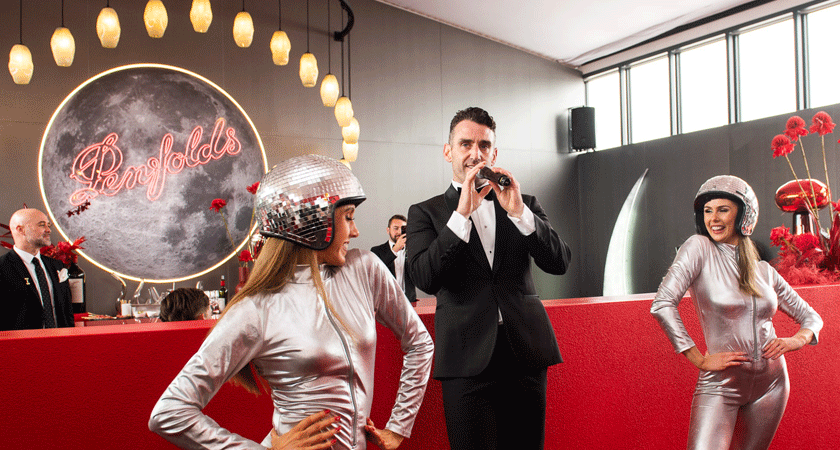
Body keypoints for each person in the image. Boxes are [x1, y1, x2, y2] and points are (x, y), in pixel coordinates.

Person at [149, 154, 434, 450]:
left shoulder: (364, 268)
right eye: (348, 216)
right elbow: (170, 413)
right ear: (311, 220)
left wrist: (400, 425)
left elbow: (420, 343)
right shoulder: (256, 308)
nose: (355, 230)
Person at [406, 107, 571, 450]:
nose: (475, 153)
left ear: (494, 154)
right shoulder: (426, 212)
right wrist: (462, 214)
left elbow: (559, 262)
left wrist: (520, 214)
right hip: (465, 358)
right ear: (448, 151)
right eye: (465, 143)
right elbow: (424, 278)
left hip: (525, 352)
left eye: (484, 145)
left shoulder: (524, 203)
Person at [650, 175, 823, 450]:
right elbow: (662, 303)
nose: (713, 219)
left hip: (772, 384)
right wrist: (699, 359)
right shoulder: (698, 249)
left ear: (744, 215)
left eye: (723, 210)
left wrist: (795, 341)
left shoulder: (763, 270)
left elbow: (812, 318)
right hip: (721, 384)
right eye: (707, 211)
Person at [0, 208, 74, 331]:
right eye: (42, 225)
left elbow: (67, 310)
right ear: (21, 230)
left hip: (60, 344)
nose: (48, 230)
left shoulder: (57, 266)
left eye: (48, 225)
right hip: (20, 347)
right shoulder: (2, 267)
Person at [370, 215, 416, 304]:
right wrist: (395, 250)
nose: (399, 232)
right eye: (396, 228)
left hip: (410, 303)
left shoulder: (413, 250)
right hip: (385, 304)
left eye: (403, 229)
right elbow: (375, 272)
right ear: (388, 230)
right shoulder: (376, 251)